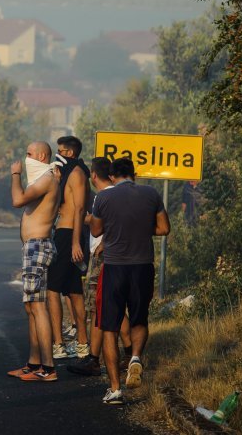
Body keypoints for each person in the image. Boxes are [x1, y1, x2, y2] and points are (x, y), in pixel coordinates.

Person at [90, 157, 170, 405]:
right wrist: (142, 229)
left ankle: (115, 389)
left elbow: (95, 231)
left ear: (112, 177)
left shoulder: (104, 197)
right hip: (142, 267)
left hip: (114, 268)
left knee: (109, 328)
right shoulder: (151, 193)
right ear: (134, 174)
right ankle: (135, 357)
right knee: (139, 318)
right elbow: (164, 228)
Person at [67, 157, 133, 377]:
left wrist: (86, 221)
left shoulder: (105, 196)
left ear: (94, 175)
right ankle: (128, 354)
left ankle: (98, 359)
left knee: (99, 307)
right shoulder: (120, 194)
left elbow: (103, 227)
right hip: (119, 255)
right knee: (108, 306)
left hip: (103, 255)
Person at [7, 141, 64, 382]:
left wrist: (15, 174)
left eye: (29, 154)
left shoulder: (47, 178)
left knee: (38, 307)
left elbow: (17, 200)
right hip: (33, 247)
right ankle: (33, 364)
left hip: (38, 246)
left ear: (41, 155)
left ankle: (48, 368)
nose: (26, 157)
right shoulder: (47, 178)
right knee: (31, 306)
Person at [48, 135, 91, 360]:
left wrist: (75, 241)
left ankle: (58, 344)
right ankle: (82, 344)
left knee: (52, 289)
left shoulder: (77, 174)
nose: (58, 155)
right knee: (74, 290)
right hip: (63, 233)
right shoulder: (65, 174)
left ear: (70, 153)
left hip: (68, 236)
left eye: (61, 151)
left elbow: (80, 208)